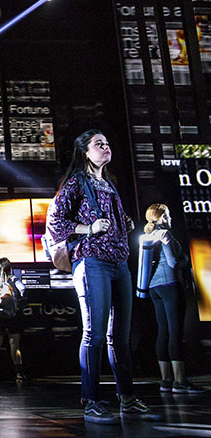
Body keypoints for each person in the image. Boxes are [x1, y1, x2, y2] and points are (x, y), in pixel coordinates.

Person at [47, 129, 158, 424]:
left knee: (120, 337)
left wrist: (124, 223)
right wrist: (89, 228)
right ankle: (92, 400)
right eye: (99, 144)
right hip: (92, 262)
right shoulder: (75, 182)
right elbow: (56, 222)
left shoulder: (109, 183)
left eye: (108, 143)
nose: (106, 147)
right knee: (94, 333)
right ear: (85, 151)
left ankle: (128, 399)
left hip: (119, 263)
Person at [139, 204, 204, 394]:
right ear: (160, 218)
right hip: (170, 285)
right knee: (175, 331)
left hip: (153, 287)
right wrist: (185, 259)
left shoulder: (148, 236)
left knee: (163, 331)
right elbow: (174, 262)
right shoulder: (165, 235)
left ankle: (166, 380)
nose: (170, 218)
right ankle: (180, 380)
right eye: (167, 215)